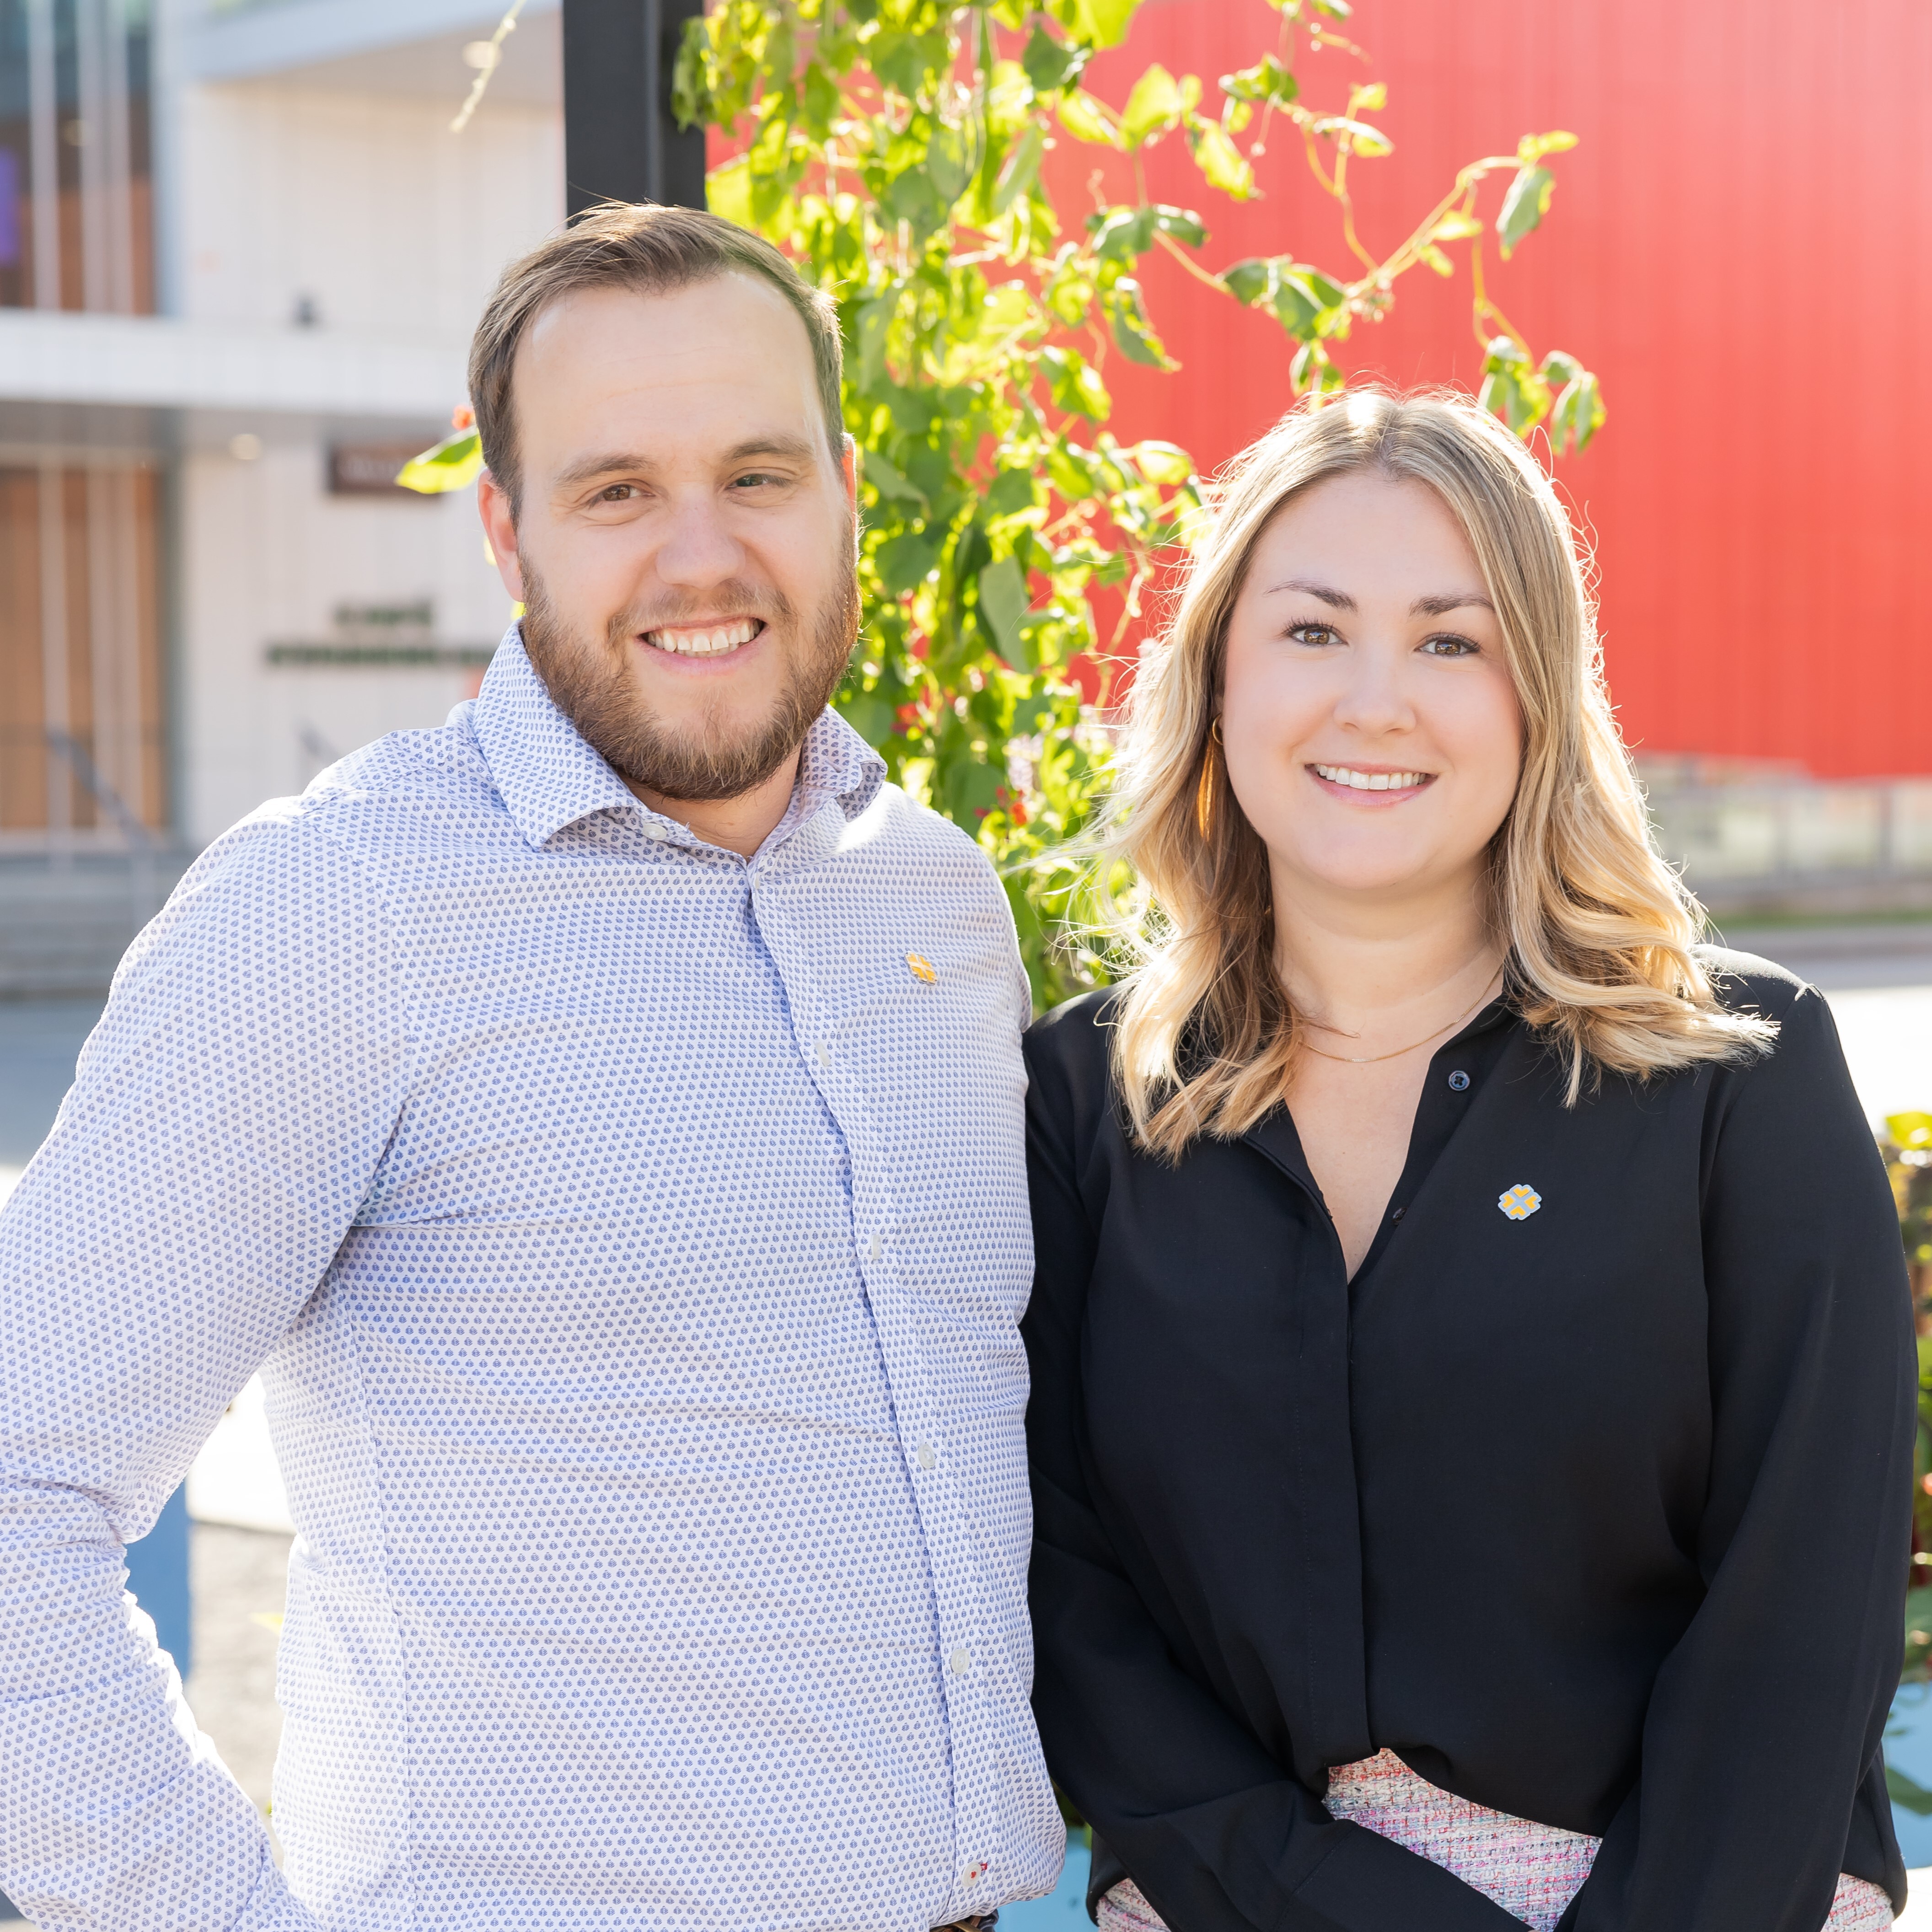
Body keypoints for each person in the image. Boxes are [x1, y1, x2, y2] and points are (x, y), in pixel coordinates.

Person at [0, 203, 1063, 1931]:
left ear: (847, 488)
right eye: (616, 490)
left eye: (759, 475)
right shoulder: (342, 904)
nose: (702, 556)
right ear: (506, 532)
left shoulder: (929, 899)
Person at [1021, 390, 1913, 1932]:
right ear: (1218, 681)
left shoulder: (1738, 1081)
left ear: (1537, 699)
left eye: (1452, 639)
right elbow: (1063, 1589)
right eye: (1313, 632)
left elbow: (1805, 1600)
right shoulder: (1081, 1105)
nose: (1378, 701)